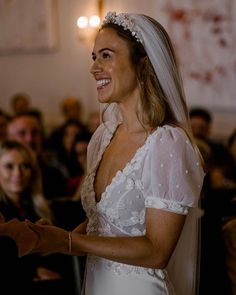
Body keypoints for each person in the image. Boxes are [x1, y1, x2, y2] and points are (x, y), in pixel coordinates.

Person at [0, 11, 205, 295]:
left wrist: (67, 242)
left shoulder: (168, 143)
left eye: (106, 55)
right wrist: (48, 238)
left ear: (143, 64)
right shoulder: (102, 137)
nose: (94, 68)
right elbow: (103, 228)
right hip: (97, 283)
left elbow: (157, 251)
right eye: (93, 57)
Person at [0, 140, 76, 295]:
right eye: (9, 166)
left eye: (25, 166)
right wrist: (33, 270)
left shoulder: (47, 209)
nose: (18, 173)